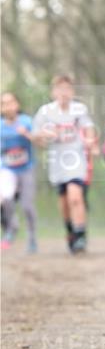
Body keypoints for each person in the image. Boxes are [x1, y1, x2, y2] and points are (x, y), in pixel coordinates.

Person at [32, 76, 97, 254]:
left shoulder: (79, 109)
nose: (64, 93)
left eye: (67, 89)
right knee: (64, 202)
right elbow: (36, 136)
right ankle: (70, 231)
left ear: (73, 92)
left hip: (76, 160)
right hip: (57, 162)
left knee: (75, 196)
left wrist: (90, 141)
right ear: (53, 92)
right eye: (60, 89)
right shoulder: (45, 112)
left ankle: (81, 234)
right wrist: (44, 136)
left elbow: (88, 127)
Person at [0, 92, 38, 252]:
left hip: (26, 169)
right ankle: (11, 227)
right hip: (7, 169)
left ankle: (32, 238)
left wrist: (27, 134)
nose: (7, 106)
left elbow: (40, 141)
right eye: (3, 103)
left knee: (27, 206)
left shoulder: (27, 122)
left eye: (10, 102)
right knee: (4, 198)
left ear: (17, 105)